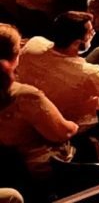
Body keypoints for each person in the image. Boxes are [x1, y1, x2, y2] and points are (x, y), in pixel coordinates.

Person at [16, 12, 99, 129]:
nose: (94, 33)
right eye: (90, 32)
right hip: (75, 119)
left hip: (48, 90)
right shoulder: (88, 73)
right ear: (77, 43)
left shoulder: (34, 43)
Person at [0, 23, 78, 180]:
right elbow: (63, 133)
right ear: (15, 55)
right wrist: (74, 124)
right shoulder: (24, 95)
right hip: (41, 167)